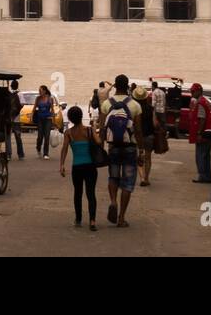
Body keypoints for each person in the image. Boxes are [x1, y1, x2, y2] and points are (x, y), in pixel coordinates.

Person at [101, 75, 141, 226]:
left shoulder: (107, 103)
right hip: (130, 148)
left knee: (113, 177)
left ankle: (113, 202)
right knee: (128, 183)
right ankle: (122, 218)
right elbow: (138, 130)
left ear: (116, 86)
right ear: (128, 86)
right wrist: (141, 150)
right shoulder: (135, 105)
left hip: (113, 147)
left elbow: (102, 127)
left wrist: (101, 147)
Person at [59, 104, 99, 230]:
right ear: (82, 116)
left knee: (78, 193)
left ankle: (78, 219)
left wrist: (62, 165)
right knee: (91, 193)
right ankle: (92, 221)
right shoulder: (89, 130)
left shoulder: (68, 133)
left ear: (70, 119)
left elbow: (64, 149)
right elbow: (98, 142)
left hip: (77, 167)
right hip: (90, 166)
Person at [188, 82, 211, 185]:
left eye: (193, 91)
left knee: (201, 155)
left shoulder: (200, 103)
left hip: (203, 134)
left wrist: (199, 133)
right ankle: (207, 176)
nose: (191, 93)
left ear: (199, 91)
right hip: (206, 133)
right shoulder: (203, 101)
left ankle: (203, 176)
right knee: (205, 156)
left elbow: (201, 119)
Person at [133, 84, 155, 186]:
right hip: (150, 135)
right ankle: (146, 178)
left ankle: (141, 178)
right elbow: (155, 123)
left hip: (139, 136)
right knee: (148, 158)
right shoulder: (151, 108)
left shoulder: (135, 109)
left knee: (139, 157)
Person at [33, 85, 56, 159]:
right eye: (39, 91)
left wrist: (54, 120)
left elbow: (52, 109)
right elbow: (34, 108)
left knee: (47, 136)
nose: (39, 92)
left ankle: (46, 154)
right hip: (40, 119)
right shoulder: (38, 98)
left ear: (45, 91)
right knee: (40, 136)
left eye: (41, 91)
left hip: (48, 119)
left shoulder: (50, 99)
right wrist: (31, 116)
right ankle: (38, 147)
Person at [7, 79, 25, 161]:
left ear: (11, 85)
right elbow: (22, 104)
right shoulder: (20, 94)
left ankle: (9, 154)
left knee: (8, 137)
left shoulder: (9, 94)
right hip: (17, 119)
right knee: (18, 137)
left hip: (9, 118)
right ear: (18, 86)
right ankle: (20, 154)